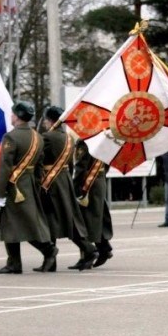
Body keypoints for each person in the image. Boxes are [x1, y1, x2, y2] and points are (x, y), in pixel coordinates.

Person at [0, 101, 57, 274]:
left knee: (13, 223)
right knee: (21, 223)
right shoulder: (38, 137)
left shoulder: (11, 137)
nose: (11, 116)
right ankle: (14, 262)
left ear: (18, 116)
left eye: (13, 113)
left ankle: (45, 250)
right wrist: (35, 185)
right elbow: (39, 165)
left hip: (15, 187)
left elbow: (5, 166)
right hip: (28, 185)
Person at [39, 106, 97, 271]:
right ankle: (87, 249)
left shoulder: (47, 137)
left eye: (45, 119)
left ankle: (86, 250)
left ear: (49, 120)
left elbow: (39, 159)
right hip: (63, 179)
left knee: (51, 217)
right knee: (68, 218)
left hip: (51, 182)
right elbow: (70, 164)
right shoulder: (68, 138)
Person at [73, 139, 114, 268]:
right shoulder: (104, 139)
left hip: (87, 184)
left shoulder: (85, 141)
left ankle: (87, 257)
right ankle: (104, 248)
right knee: (96, 218)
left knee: (85, 221)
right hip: (99, 180)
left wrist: (75, 187)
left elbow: (81, 166)